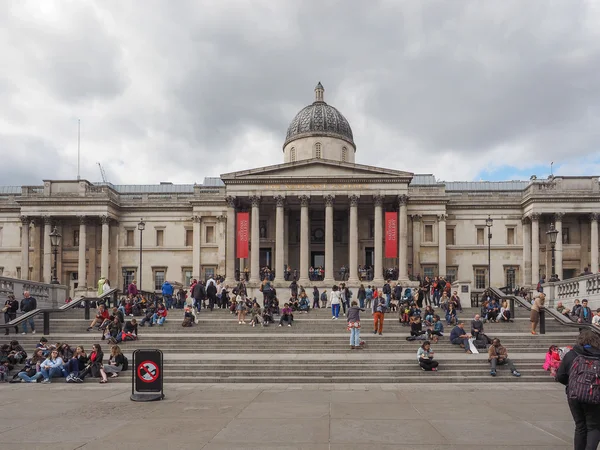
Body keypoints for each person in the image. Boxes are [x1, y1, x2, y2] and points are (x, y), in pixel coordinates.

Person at [556, 330, 600, 450]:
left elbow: (560, 376)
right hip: (595, 395)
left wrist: (575, 384)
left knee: (580, 425)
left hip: (575, 395)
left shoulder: (572, 354)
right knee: (594, 427)